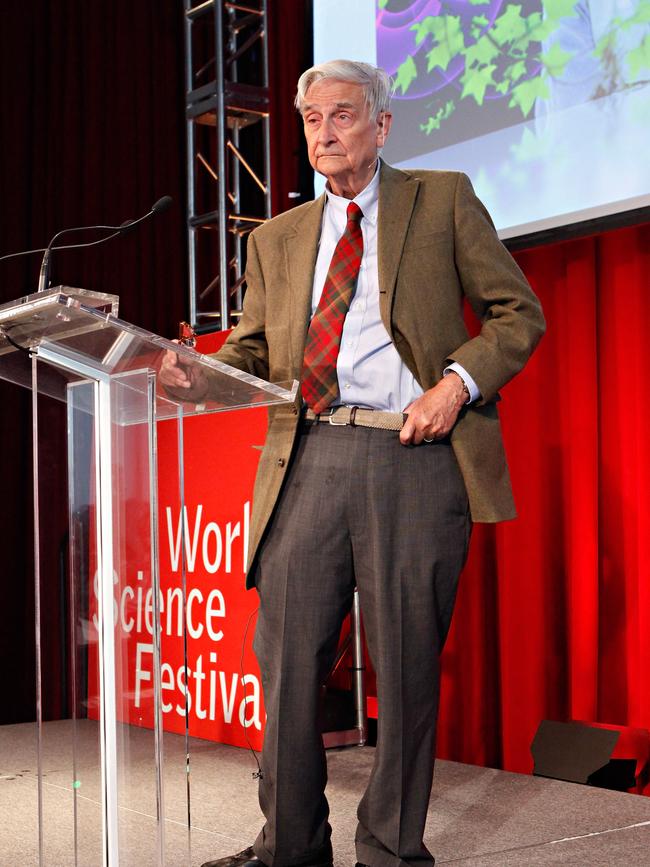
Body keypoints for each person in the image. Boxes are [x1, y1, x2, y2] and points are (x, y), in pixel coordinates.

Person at [162, 60, 545, 867]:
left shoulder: (441, 200)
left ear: (382, 124)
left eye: (342, 115)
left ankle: (389, 849)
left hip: (414, 453)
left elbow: (517, 312)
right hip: (308, 452)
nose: (324, 133)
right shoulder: (276, 238)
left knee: (406, 666)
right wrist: (198, 372)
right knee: (288, 660)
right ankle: (291, 845)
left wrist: (456, 383)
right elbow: (256, 352)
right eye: (311, 119)